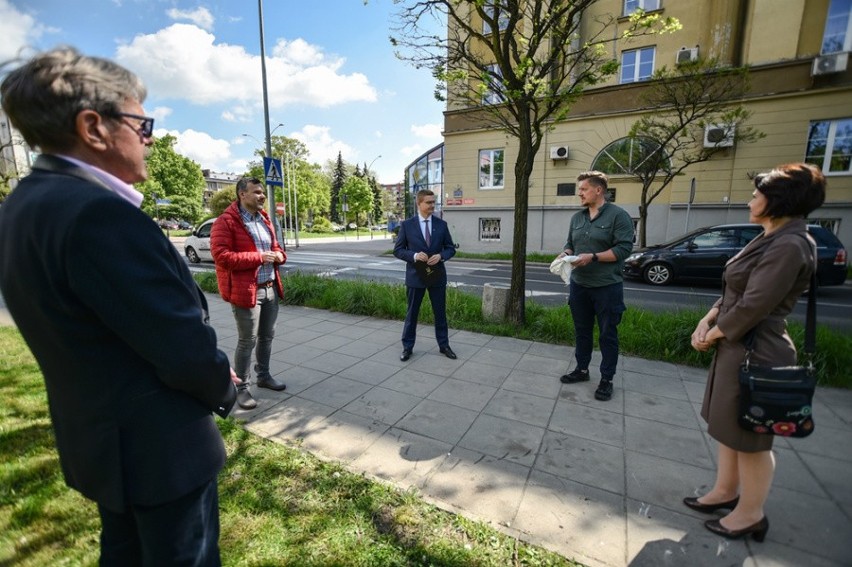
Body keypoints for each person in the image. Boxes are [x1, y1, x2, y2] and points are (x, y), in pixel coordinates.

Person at [0, 47, 238, 565]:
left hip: (103, 448)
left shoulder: (22, 206)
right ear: (94, 127)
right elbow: (182, 349)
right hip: (159, 453)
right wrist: (223, 384)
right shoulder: (98, 216)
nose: (149, 137)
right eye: (141, 122)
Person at [685, 163, 824, 541]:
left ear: (777, 201)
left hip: (757, 350)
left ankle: (750, 514)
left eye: (756, 194)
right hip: (735, 344)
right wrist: (708, 319)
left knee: (752, 438)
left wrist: (713, 334)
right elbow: (736, 290)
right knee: (730, 429)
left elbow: (755, 305)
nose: (750, 200)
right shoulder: (770, 235)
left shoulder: (791, 244)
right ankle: (725, 492)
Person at [556, 171, 634, 401]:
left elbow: (623, 250)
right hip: (579, 285)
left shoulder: (619, 216)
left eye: (583, 189)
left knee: (608, 334)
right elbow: (571, 244)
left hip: (607, 287)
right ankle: (582, 369)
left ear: (598, 190)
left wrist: (594, 257)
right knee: (582, 331)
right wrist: (565, 254)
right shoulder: (577, 218)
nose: (579, 193)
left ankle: (607, 379)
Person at [210, 177, 287, 410]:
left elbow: (276, 248)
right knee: (247, 341)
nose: (262, 196)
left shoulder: (265, 219)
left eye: (262, 192)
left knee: (267, 337)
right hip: (246, 292)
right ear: (242, 194)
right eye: (257, 192)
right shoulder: (226, 222)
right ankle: (242, 388)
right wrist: (259, 257)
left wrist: (279, 256)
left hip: (270, 287)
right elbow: (222, 256)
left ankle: (263, 376)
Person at [394, 189, 457, 361]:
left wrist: (441, 256)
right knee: (411, 314)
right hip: (416, 277)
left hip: (437, 277)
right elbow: (398, 250)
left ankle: (444, 345)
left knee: (440, 313)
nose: (432, 205)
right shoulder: (407, 225)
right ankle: (407, 347)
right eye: (428, 202)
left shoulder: (441, 225)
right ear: (419, 203)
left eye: (433, 201)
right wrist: (414, 256)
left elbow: (450, 248)